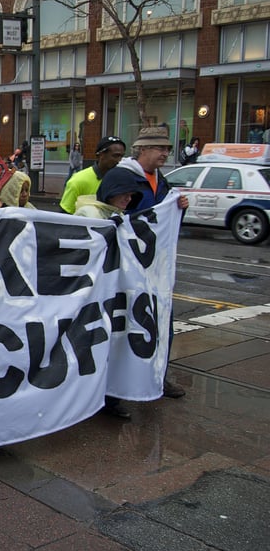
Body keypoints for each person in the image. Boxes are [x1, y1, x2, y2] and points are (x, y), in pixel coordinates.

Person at [101, 126, 190, 400]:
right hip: (128, 268)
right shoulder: (121, 176)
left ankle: (159, 376)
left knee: (161, 319)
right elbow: (106, 213)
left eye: (167, 149)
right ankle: (112, 391)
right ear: (143, 149)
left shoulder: (161, 182)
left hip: (155, 268)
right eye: (160, 148)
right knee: (124, 325)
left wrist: (178, 209)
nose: (165, 153)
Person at [58, 135, 126, 214]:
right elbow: (65, 215)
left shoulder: (122, 181)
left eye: (122, 156)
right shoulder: (78, 180)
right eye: (115, 156)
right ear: (100, 155)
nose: (120, 161)